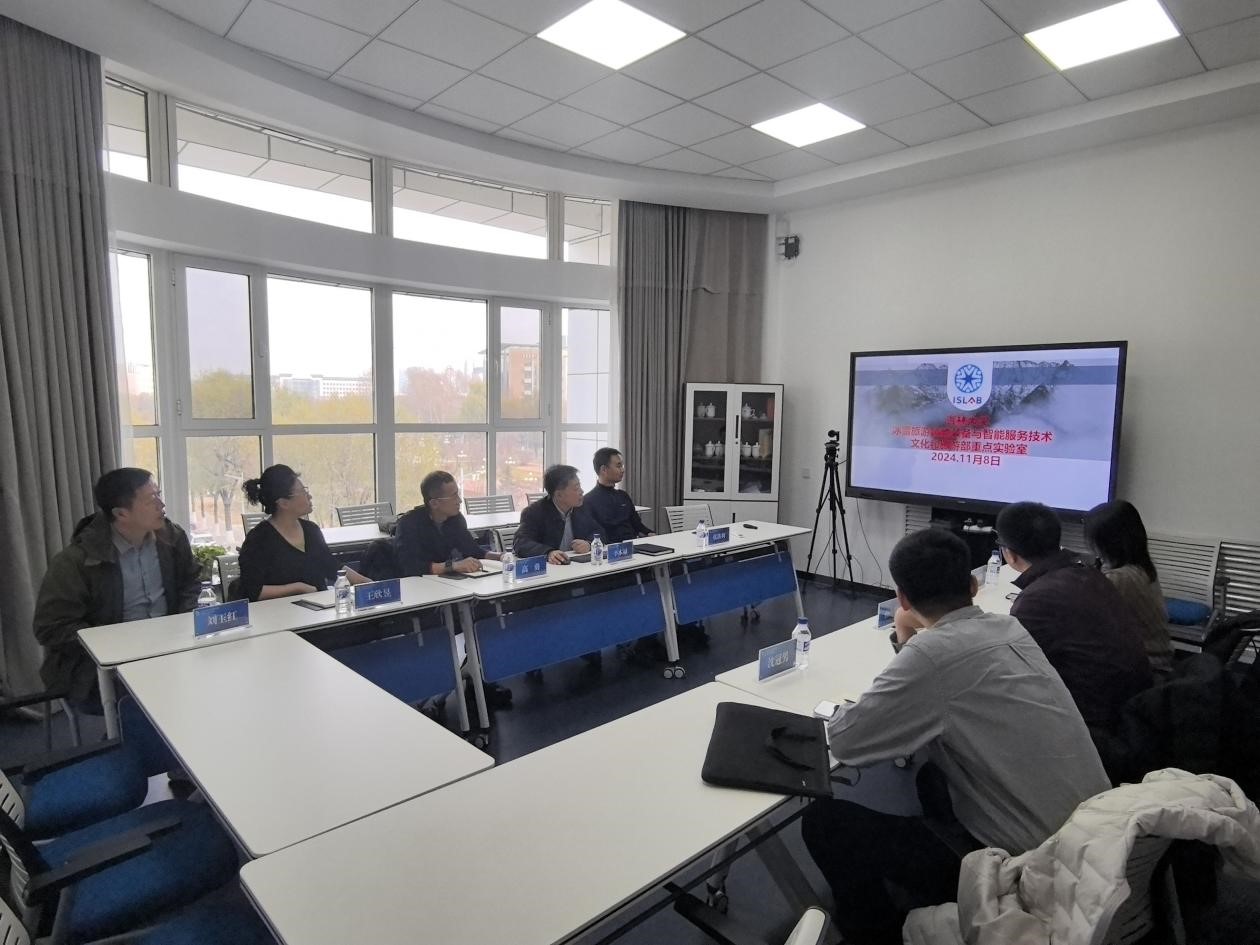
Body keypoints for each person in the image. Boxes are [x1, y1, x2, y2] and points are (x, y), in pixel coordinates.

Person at [802, 528, 1110, 945]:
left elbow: (845, 741)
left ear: (903, 599)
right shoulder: (1009, 628)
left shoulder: (932, 655)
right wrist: (909, 641)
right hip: (1093, 841)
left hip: (1028, 868)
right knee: (931, 778)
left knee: (825, 822)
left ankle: (878, 934)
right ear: (972, 585)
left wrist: (904, 639)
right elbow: (937, 689)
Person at [34, 467, 201, 710]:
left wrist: (182, 621)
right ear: (121, 513)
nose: (161, 504)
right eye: (151, 499)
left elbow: (190, 582)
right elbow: (51, 627)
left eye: (159, 494)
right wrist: (115, 643)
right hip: (102, 667)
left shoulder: (173, 538)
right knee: (149, 701)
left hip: (170, 649)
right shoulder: (77, 560)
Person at [995, 501, 1154, 731]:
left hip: (1094, 724)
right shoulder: (1091, 575)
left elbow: (1012, 671)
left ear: (1009, 554)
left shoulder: (1037, 599)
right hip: (1133, 709)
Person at [237, 464, 367, 601]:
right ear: (283, 503)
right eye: (303, 492)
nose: (309, 496)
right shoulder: (258, 539)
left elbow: (331, 566)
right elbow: (252, 591)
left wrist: (364, 582)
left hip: (319, 607)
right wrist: (298, 588)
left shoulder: (311, 530)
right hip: (280, 611)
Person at [1084, 499, 1174, 675]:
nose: (1091, 547)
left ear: (1108, 543)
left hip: (1146, 666)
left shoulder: (1121, 578)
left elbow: (1085, 615)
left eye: (1094, 541)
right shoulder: (1139, 565)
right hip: (1159, 656)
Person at [396, 470, 500, 576]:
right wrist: (453, 566)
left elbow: (474, 551)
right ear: (434, 503)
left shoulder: (455, 519)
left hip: (444, 580)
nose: (459, 500)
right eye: (453, 496)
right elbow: (412, 567)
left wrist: (501, 556)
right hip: (417, 583)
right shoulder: (409, 524)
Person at [513, 464, 596, 564]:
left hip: (577, 565)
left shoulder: (582, 508)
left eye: (580, 486)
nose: (581, 491)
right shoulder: (534, 512)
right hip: (551, 568)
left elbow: (598, 531)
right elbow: (521, 543)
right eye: (576, 488)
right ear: (559, 495)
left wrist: (589, 544)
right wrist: (548, 552)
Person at [583, 448, 652, 543]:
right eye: (618, 466)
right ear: (603, 469)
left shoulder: (623, 496)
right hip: (610, 548)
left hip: (634, 545)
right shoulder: (588, 501)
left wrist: (650, 533)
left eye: (622, 466)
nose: (623, 470)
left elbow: (637, 525)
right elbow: (593, 534)